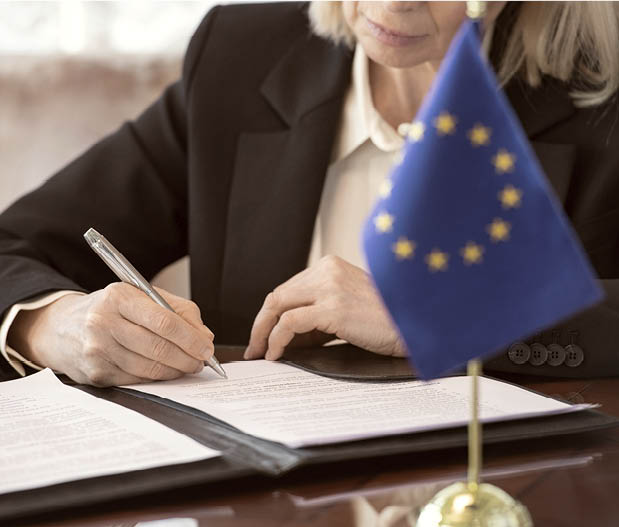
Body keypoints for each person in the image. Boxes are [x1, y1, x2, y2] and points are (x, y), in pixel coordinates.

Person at [1, 1, 618, 387]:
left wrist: (435, 313)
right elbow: (12, 246)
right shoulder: (241, 57)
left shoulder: (601, 93)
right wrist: (56, 326)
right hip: (274, 519)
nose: (394, 3)